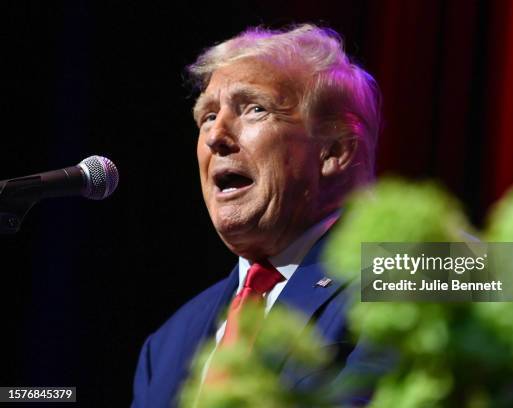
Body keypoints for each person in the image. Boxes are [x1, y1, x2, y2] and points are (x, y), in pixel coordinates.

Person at [132, 24, 383, 407]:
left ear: (334, 151)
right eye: (207, 116)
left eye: (254, 108)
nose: (216, 135)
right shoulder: (165, 346)